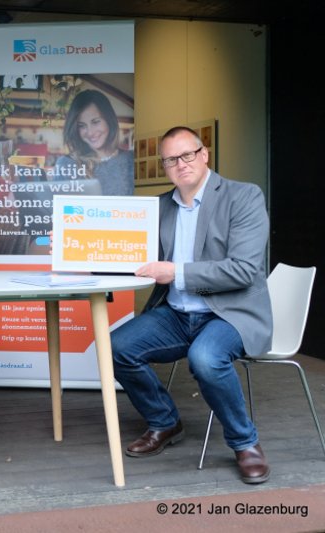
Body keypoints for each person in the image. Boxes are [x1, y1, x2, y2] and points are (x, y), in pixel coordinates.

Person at [111, 126, 272, 484]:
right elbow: (125, 253)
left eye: (187, 155)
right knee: (116, 347)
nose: (181, 164)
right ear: (165, 166)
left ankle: (245, 442)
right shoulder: (158, 208)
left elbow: (244, 269)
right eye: (171, 159)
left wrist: (175, 272)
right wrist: (75, 246)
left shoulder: (243, 197)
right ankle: (165, 421)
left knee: (206, 358)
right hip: (177, 314)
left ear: (204, 154)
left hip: (228, 314)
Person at [54, 89, 134, 196]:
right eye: (82, 126)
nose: (90, 132)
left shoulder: (131, 160)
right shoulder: (66, 164)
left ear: (109, 120)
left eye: (95, 122)